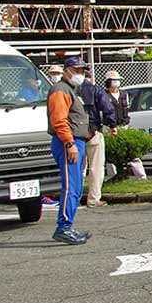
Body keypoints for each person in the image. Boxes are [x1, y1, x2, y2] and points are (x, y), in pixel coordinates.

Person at [46, 56, 91, 245]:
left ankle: (68, 225)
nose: (80, 74)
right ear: (67, 71)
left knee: (77, 187)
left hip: (75, 141)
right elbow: (59, 121)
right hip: (67, 143)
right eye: (77, 70)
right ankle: (63, 227)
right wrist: (70, 143)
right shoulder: (60, 90)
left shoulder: (72, 90)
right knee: (70, 186)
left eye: (82, 71)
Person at [78, 70, 118, 208]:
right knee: (96, 167)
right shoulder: (95, 90)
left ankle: (74, 196)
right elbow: (107, 108)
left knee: (79, 168)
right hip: (93, 131)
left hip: (76, 133)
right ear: (89, 78)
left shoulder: (70, 90)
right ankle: (93, 199)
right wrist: (112, 125)